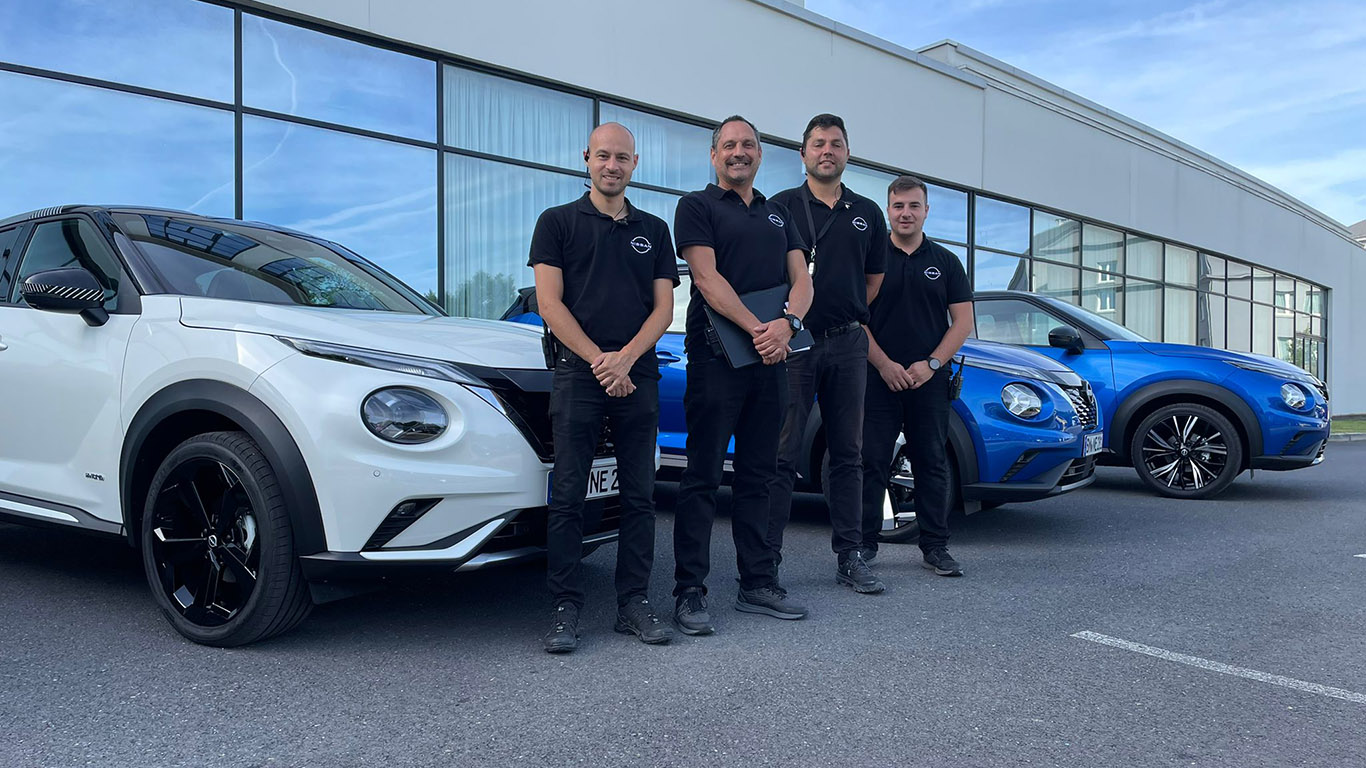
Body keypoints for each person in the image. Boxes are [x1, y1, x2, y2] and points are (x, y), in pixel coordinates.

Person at [530, 122, 680, 653]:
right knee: (569, 494)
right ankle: (565, 606)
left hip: (638, 374)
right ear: (587, 159)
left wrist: (626, 360)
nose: (612, 165)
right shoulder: (556, 223)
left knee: (639, 495)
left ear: (634, 164)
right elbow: (550, 304)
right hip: (579, 373)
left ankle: (633, 602)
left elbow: (663, 309)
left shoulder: (654, 230)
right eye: (603, 156)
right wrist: (601, 362)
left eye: (621, 157)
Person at [670, 115, 813, 634]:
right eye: (729, 145)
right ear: (714, 155)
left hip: (771, 360)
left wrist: (788, 325)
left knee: (760, 474)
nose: (739, 152)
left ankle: (757, 583)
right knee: (703, 475)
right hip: (716, 360)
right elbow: (706, 279)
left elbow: (802, 280)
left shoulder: (779, 214)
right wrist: (760, 329)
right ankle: (689, 591)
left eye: (748, 144)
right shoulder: (697, 206)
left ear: (759, 154)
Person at [768, 114, 888, 595]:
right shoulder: (780, 207)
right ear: (803, 154)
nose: (827, 151)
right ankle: (766, 560)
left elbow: (873, 281)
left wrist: (847, 312)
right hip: (794, 344)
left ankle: (851, 556)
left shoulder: (867, 212)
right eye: (818, 144)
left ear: (847, 153)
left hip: (847, 343)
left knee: (848, 453)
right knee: (782, 452)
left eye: (836, 144)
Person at [861, 175, 974, 576]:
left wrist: (931, 365)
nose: (905, 213)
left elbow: (963, 322)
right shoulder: (870, 258)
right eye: (898, 206)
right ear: (888, 210)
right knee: (870, 461)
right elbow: (855, 319)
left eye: (913, 206)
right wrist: (884, 364)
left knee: (931, 462)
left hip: (929, 380)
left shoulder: (945, 262)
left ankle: (935, 547)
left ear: (926, 211)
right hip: (877, 377)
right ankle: (862, 546)